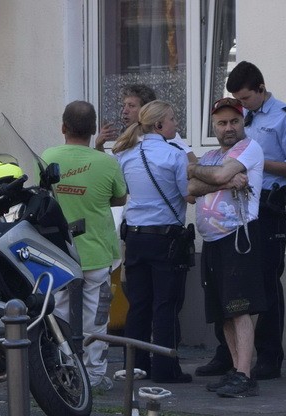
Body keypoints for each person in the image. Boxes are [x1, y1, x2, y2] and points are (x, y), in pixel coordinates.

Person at [197, 61, 286, 380]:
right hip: (231, 210)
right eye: (235, 102)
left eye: (244, 100)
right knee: (227, 285)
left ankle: (269, 356)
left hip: (267, 206)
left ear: (261, 90)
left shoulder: (284, 117)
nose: (240, 108)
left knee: (266, 282)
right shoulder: (237, 119)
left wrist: (250, 163)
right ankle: (227, 355)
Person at [42, 101, 129, 392]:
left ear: (63, 127)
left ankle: (64, 370)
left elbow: (44, 196)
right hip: (97, 253)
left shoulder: (47, 157)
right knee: (97, 318)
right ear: (93, 130)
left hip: (59, 254)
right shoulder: (107, 163)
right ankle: (93, 376)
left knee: (59, 316)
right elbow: (120, 199)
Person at [187, 97, 265, 398]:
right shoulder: (209, 157)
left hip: (238, 237)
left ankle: (245, 374)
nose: (228, 127)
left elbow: (210, 176)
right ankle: (235, 370)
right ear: (214, 127)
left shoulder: (249, 148)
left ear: (242, 121)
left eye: (234, 121)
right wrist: (221, 181)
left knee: (239, 309)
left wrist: (204, 174)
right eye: (222, 123)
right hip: (213, 241)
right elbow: (190, 189)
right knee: (224, 312)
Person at [112, 100, 193, 384]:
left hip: (134, 236)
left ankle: (135, 365)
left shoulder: (125, 154)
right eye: (172, 119)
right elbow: (188, 194)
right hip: (165, 238)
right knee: (165, 305)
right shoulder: (174, 155)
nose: (176, 124)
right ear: (159, 125)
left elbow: (120, 191)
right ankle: (165, 368)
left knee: (138, 304)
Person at [96, 84, 198, 163]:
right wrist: (99, 145)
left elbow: (193, 163)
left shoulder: (167, 135)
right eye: (124, 106)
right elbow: (109, 168)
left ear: (146, 109)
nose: (124, 111)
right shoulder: (127, 139)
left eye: (131, 106)